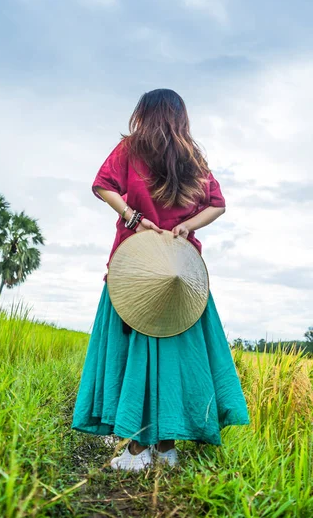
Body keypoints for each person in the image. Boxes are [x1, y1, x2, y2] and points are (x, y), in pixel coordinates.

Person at [71, 88, 250, 471]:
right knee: (173, 359)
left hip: (135, 268)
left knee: (134, 354)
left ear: (143, 114)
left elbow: (101, 185)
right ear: (181, 118)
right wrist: (185, 227)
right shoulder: (194, 156)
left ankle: (137, 451)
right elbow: (217, 204)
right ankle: (166, 450)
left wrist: (133, 219)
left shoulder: (130, 149)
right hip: (181, 275)